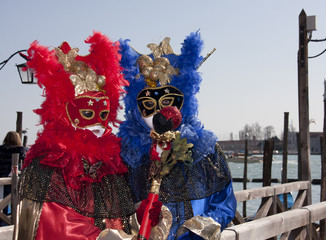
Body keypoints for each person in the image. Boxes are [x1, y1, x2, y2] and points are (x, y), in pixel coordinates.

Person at [15, 32, 170, 240]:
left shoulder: (110, 164)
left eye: (104, 113)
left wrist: (142, 215)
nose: (98, 122)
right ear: (64, 111)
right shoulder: (49, 165)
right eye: (88, 113)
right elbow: (56, 227)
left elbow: (118, 219)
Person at [118, 31, 237, 240]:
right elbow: (116, 212)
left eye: (167, 101)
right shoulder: (126, 156)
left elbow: (224, 205)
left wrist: (194, 235)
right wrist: (137, 218)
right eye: (148, 104)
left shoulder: (204, 150)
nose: (157, 113)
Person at [0, 131, 26, 225]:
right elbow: (25, 162)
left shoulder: (1, 149)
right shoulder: (20, 150)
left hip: (1, 177)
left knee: (2, 204)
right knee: (13, 201)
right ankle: (10, 223)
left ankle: (3, 222)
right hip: (12, 179)